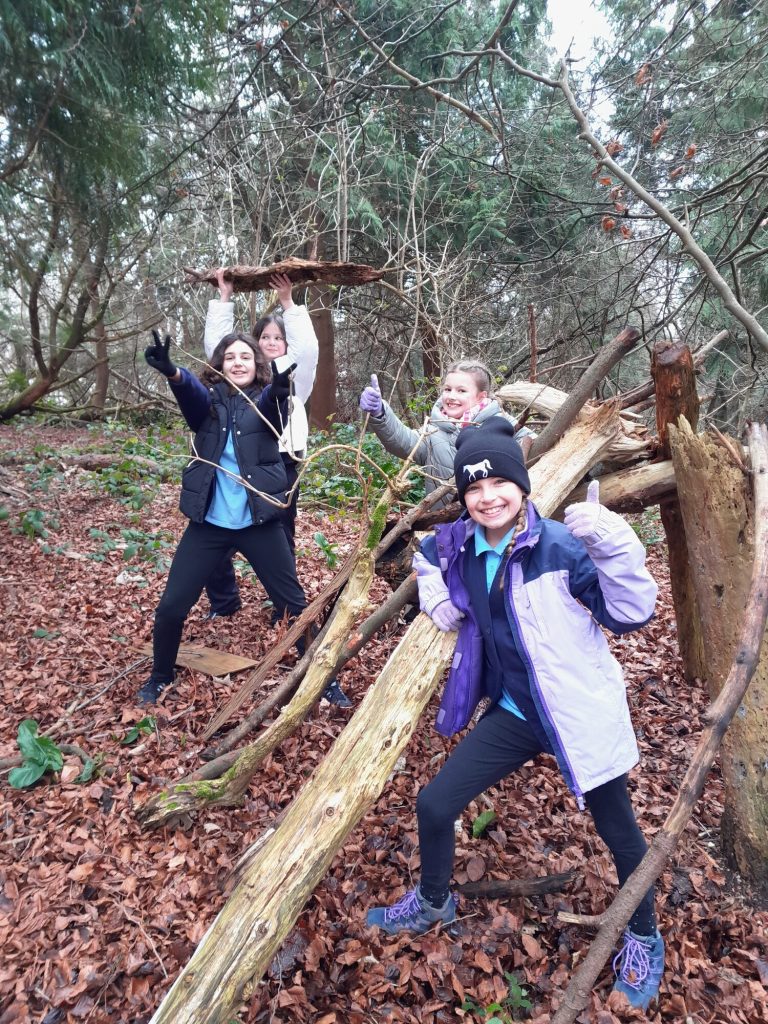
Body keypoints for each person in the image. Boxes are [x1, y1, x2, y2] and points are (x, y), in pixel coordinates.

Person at [365, 417, 665, 1011]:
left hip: (576, 713)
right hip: (515, 712)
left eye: (498, 483)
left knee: (619, 831)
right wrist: (437, 599)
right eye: (473, 488)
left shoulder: (560, 546)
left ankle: (644, 934)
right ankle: (434, 900)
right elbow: (427, 557)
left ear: (522, 485)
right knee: (435, 802)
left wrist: (616, 545)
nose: (487, 497)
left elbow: (631, 614)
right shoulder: (463, 543)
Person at [202, 270, 351, 708]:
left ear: (284, 346)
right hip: (230, 464)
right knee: (215, 531)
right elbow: (218, 350)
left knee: (277, 538)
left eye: (276, 338)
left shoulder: (291, 381)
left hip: (281, 465)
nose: (269, 342)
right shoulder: (236, 378)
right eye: (263, 337)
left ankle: (284, 606)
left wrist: (289, 303)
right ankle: (224, 600)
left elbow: (310, 350)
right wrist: (223, 299)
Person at [137, 329, 308, 706]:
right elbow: (194, 397)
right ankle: (160, 675)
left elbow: (272, 406)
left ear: (256, 364)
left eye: (245, 357)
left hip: (258, 524)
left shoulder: (262, 401)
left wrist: (280, 388)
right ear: (220, 364)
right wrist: (173, 373)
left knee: (295, 606)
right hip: (209, 525)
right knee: (170, 608)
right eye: (230, 357)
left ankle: (319, 678)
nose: (238, 362)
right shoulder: (209, 403)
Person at [358, 360, 534, 506]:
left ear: (481, 396)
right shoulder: (433, 430)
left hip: (493, 518)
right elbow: (404, 443)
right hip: (443, 526)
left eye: (461, 391)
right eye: (447, 389)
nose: (451, 396)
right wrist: (380, 412)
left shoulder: (504, 424)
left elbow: (538, 446)